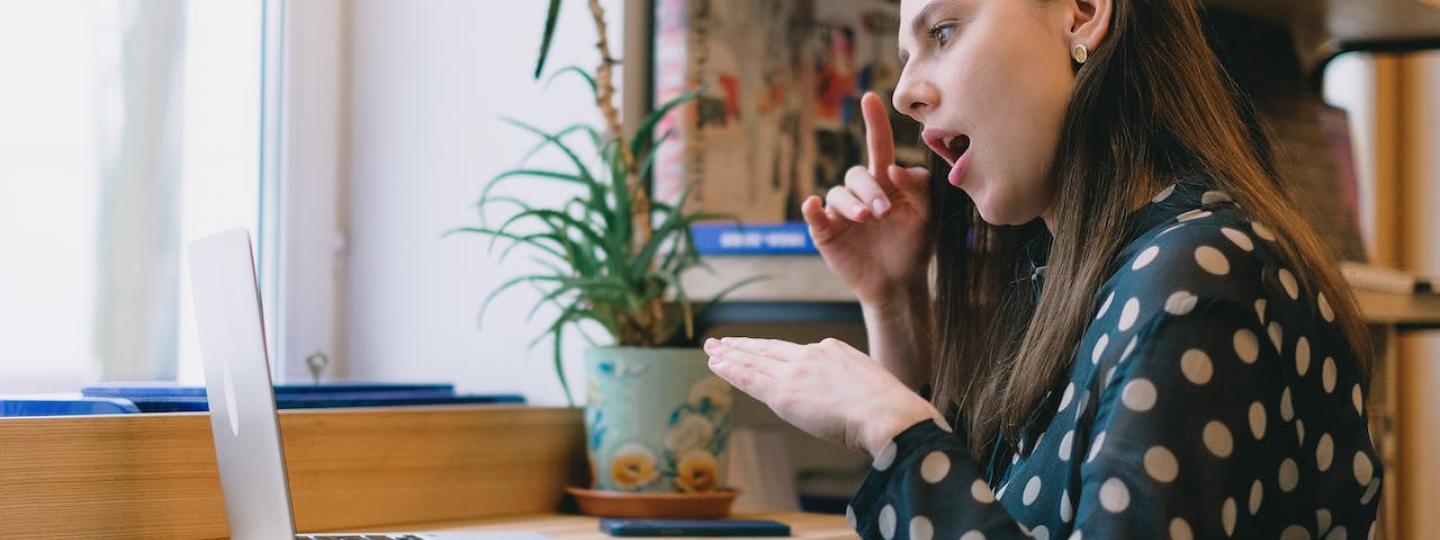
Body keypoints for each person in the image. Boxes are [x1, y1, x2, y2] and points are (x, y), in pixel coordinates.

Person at [701, 0, 1382, 537]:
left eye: (942, 31)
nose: (906, 90)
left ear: (1083, 12)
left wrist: (892, 429)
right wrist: (894, 298)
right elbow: (992, 512)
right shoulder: (1071, 275)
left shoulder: (1195, 278)